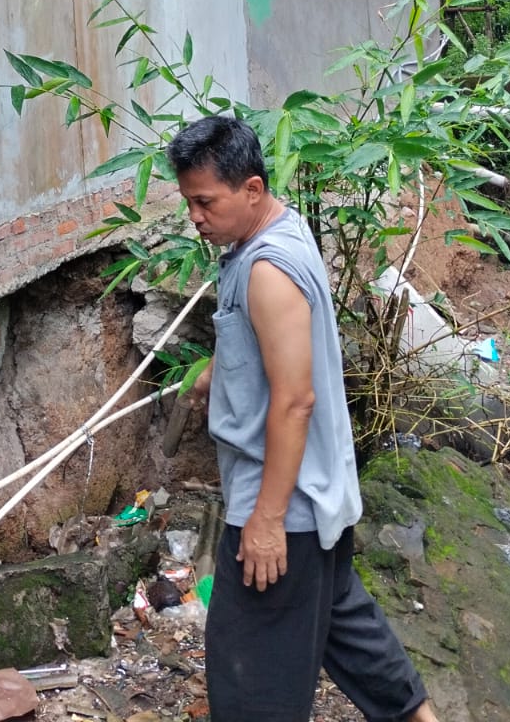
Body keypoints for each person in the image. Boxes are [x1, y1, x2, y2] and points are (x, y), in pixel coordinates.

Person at [167, 115, 437, 722]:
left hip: (282, 511)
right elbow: (270, 348)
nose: (196, 217)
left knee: (248, 677)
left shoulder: (267, 271)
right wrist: (220, 367)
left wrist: (264, 521)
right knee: (348, 628)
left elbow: (295, 400)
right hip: (321, 495)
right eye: (189, 203)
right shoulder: (278, 232)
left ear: (253, 190)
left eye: (206, 202)